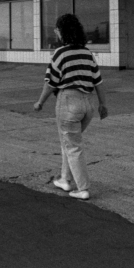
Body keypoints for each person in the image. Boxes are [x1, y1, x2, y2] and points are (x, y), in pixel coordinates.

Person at [33, 13, 108, 201]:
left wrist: (40, 102)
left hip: (68, 103)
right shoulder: (86, 53)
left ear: (62, 32)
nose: (55, 32)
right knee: (68, 142)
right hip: (88, 104)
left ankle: (82, 188)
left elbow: (51, 83)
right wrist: (103, 104)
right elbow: (98, 82)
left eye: (56, 29)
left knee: (73, 146)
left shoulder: (60, 54)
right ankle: (65, 179)